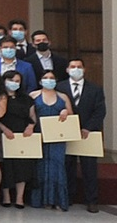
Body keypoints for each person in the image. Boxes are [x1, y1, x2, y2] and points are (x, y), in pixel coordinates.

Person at [56, 59, 104, 213]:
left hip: (87, 134)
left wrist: (88, 127)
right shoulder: (59, 87)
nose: (76, 69)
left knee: (89, 168)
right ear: (67, 69)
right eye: (72, 67)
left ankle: (92, 200)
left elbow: (100, 111)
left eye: (79, 67)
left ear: (84, 69)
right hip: (66, 133)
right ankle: (68, 197)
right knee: (67, 165)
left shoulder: (95, 89)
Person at [30, 72, 72, 210]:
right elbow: (30, 117)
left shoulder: (63, 96)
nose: (49, 80)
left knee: (57, 166)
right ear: (40, 80)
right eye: (45, 78)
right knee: (40, 166)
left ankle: (58, 199)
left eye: (52, 78)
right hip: (39, 136)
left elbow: (71, 116)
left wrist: (65, 112)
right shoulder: (33, 95)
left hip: (57, 138)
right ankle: (41, 200)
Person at [0, 70, 34, 207]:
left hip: (22, 134)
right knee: (6, 165)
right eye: (11, 80)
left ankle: (19, 197)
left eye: (17, 81)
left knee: (22, 165)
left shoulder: (26, 98)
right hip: (4, 133)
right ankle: (6, 197)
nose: (14, 83)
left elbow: (32, 117)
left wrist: (31, 126)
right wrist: (4, 129)